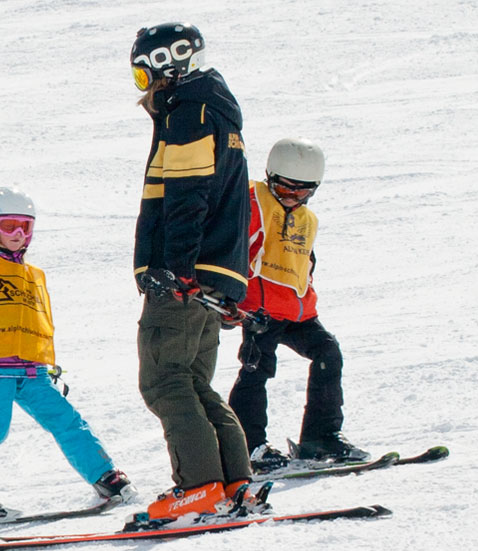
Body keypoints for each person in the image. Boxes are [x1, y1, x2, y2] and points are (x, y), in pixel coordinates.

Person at [0, 187, 131, 525]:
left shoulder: (28, 273)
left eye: (26, 227)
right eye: (10, 227)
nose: (19, 235)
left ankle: (105, 476)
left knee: (67, 421)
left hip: (31, 370)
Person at [128, 23, 259, 522]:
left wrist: (176, 269)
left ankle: (200, 487)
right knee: (194, 382)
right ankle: (233, 482)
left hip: (185, 277)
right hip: (215, 273)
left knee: (164, 382)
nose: (144, 87)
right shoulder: (218, 111)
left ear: (169, 63)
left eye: (144, 74)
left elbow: (186, 198)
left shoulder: (189, 113)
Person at [228, 139, 369, 469]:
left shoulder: (307, 219)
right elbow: (230, 251)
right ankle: (248, 447)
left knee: (327, 352)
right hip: (258, 309)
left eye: (301, 192)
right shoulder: (250, 203)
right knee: (256, 370)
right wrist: (229, 303)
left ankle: (319, 438)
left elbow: (303, 262)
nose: (291, 197)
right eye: (284, 188)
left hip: (295, 310)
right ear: (270, 176)